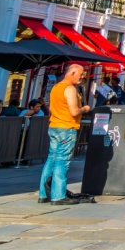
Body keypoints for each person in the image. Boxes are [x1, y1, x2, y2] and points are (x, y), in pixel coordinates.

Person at [40, 64, 91, 204]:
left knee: (51, 159)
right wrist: (85, 108)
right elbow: (74, 111)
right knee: (62, 161)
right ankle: (58, 196)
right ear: (72, 72)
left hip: (54, 126)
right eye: (80, 74)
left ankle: (43, 194)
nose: (82, 77)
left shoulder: (56, 87)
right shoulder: (70, 89)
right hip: (66, 128)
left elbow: (51, 108)